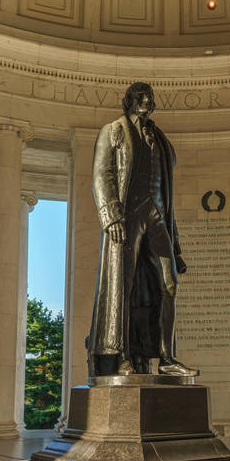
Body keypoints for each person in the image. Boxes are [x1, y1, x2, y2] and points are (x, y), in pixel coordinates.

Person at [87, 82, 199, 377]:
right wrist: (111, 216)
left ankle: (167, 358)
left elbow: (168, 192)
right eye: (140, 97)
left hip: (157, 215)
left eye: (149, 98)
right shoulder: (113, 131)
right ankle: (122, 356)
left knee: (169, 284)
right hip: (128, 213)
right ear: (129, 102)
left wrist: (176, 246)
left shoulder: (160, 139)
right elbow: (101, 174)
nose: (147, 102)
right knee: (124, 285)